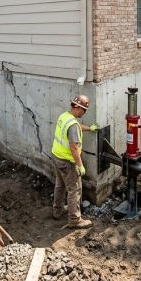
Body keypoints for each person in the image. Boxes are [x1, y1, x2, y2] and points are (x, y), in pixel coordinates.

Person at [51, 95, 97, 229]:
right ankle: (75, 220)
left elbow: (76, 127)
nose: (84, 113)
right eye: (84, 110)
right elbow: (74, 147)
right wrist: (80, 165)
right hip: (67, 162)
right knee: (74, 190)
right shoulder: (72, 125)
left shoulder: (65, 116)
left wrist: (89, 128)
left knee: (60, 185)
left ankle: (57, 210)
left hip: (57, 157)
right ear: (77, 108)